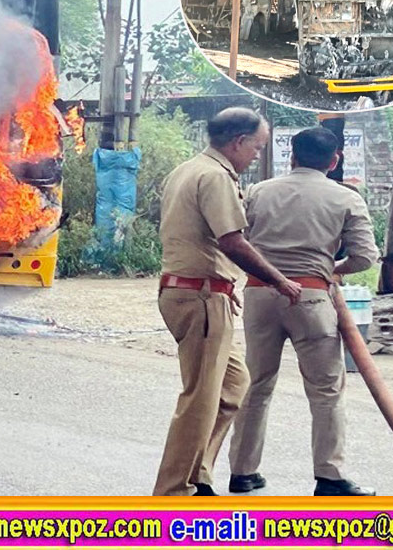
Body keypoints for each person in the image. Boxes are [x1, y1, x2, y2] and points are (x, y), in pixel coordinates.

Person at [153, 107, 302, 496]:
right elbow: (232, 241)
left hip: (195, 292)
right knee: (200, 400)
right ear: (238, 142)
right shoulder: (215, 177)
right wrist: (280, 280)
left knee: (234, 387)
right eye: (257, 146)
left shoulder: (188, 169)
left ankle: (198, 476)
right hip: (199, 297)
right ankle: (172, 494)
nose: (257, 155)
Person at [227, 127, 380, 496]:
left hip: (260, 295)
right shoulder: (345, 198)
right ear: (334, 161)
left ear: (291, 156)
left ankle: (243, 472)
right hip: (311, 299)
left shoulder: (260, 191)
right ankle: (329, 476)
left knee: (256, 384)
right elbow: (364, 256)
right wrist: (330, 269)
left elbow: (237, 240)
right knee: (325, 390)